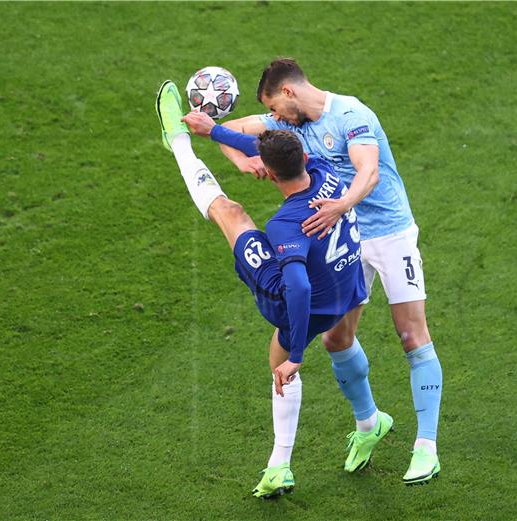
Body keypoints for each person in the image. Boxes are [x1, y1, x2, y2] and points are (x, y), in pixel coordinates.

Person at [182, 58, 443, 486]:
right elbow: (238, 134)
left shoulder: (351, 116)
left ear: (289, 93)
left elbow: (369, 172)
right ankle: (368, 424)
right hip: (342, 235)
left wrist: (342, 204)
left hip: (388, 232)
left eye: (277, 111)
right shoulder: (288, 121)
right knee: (337, 337)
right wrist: (238, 159)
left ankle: (426, 447)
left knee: (412, 335)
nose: (275, 120)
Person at [155, 80, 393, 498]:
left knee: (230, 213)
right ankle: (369, 422)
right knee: (340, 341)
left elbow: (297, 287)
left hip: (302, 302)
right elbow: (271, 150)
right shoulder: (326, 170)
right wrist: (214, 131)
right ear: (303, 156)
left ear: (266, 172)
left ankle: (177, 142)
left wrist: (297, 354)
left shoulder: (286, 225)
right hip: (348, 286)